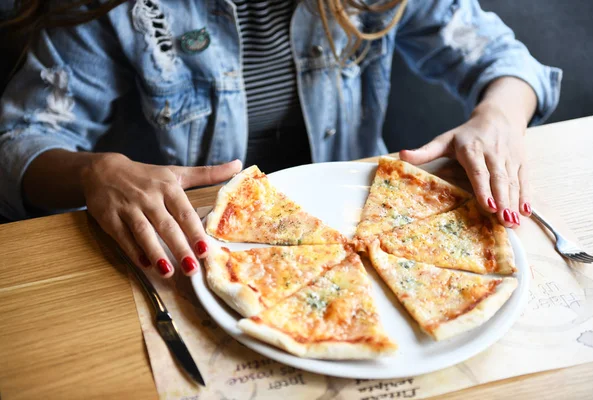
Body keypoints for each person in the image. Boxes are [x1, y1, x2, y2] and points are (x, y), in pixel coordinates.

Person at [0, 0, 561, 278]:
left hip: (363, 236)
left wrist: (499, 119)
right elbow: (18, 139)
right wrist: (93, 172)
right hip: (186, 245)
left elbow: (506, 62)